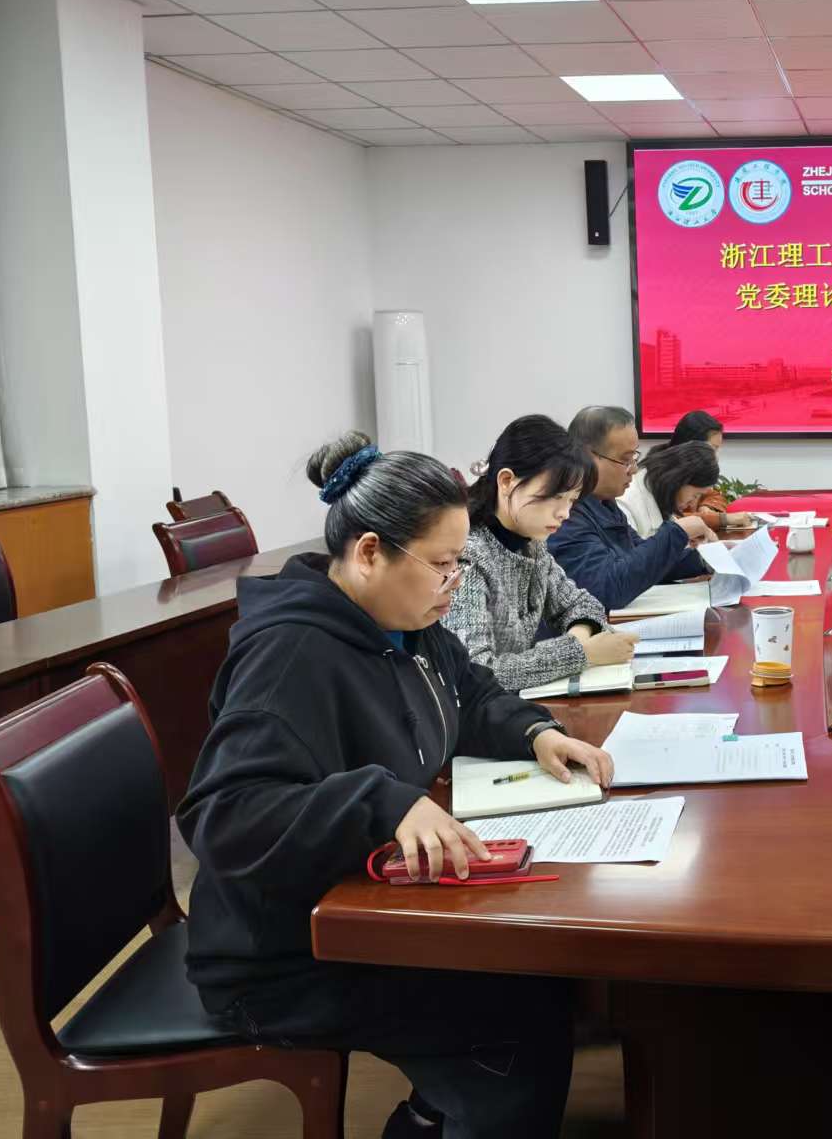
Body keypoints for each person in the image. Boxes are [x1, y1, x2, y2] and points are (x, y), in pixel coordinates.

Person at [179, 431, 614, 1139]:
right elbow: (224, 814)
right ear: (369, 552)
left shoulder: (404, 622)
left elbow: (471, 691)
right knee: (518, 1014)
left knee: (534, 977)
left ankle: (432, 1114)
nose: (455, 582)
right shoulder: (289, 654)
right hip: (282, 956)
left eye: (460, 562)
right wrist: (383, 800)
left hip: (366, 905)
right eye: (442, 565)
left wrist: (536, 731)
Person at [444, 414, 637, 693]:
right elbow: (476, 673)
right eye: (556, 497)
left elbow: (583, 604)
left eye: (571, 500)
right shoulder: (467, 557)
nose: (564, 513)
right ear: (507, 481)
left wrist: (579, 639)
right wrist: (583, 653)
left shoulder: (531, 544)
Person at [549, 405, 715, 611]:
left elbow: (641, 558)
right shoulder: (566, 514)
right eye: (625, 460)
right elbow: (605, 590)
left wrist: (706, 559)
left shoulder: (604, 503)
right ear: (586, 456)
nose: (634, 469)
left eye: (634, 459)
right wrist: (678, 532)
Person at [666, 409, 754, 532]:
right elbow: (674, 520)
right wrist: (723, 519)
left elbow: (715, 495)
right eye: (712, 449)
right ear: (691, 444)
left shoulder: (695, 471)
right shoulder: (666, 474)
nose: (716, 457)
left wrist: (707, 506)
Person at [619, 441, 722, 538]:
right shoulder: (626, 505)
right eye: (695, 495)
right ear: (680, 479)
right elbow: (640, 550)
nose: (692, 503)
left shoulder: (661, 494)